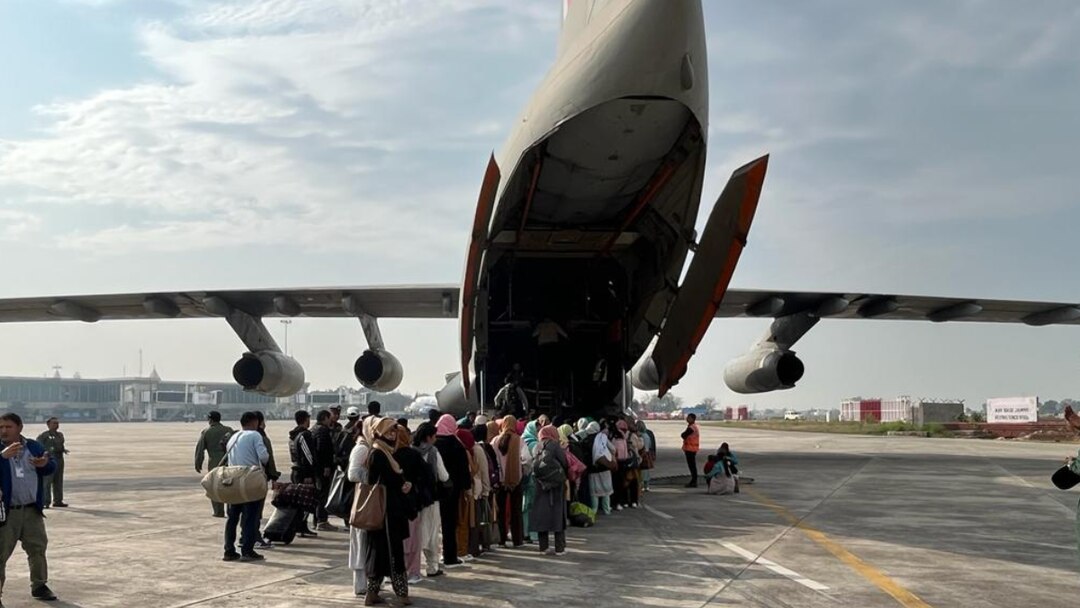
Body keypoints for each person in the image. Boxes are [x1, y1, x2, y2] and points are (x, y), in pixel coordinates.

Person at [0, 412, 58, 603]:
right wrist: (1, 457)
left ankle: (40, 585)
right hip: (7, 513)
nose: (4, 431)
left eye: (8, 427)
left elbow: (51, 466)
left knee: (37, 549)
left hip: (32, 510)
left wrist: (45, 463)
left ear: (19, 428)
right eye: (1, 427)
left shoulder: (33, 446)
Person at [363, 418, 412, 606]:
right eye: (389, 432)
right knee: (393, 551)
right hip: (386, 511)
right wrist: (403, 483)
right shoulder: (379, 453)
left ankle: (372, 593)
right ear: (380, 432)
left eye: (394, 431)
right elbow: (389, 479)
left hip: (383, 510)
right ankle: (401, 594)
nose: (393, 435)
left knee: (378, 551)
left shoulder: (382, 451)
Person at [222, 411, 270, 562]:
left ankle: (229, 550)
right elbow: (264, 456)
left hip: (233, 480)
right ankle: (247, 550)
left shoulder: (233, 436)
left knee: (232, 517)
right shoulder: (255, 435)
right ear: (254, 422)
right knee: (250, 517)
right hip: (249, 480)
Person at [412, 422, 449, 579]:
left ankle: (413, 567)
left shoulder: (411, 450)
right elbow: (443, 475)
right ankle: (432, 567)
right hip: (431, 497)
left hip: (414, 497)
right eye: (434, 436)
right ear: (428, 437)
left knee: (416, 532)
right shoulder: (433, 452)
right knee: (432, 533)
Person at [392, 425, 427, 586]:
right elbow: (427, 476)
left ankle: (397, 571)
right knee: (413, 538)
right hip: (412, 503)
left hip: (394, 504)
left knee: (396, 539)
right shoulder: (414, 455)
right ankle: (413, 572)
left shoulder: (389, 455)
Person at [434, 414, 470, 567]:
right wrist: (466, 487)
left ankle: (433, 559)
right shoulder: (456, 444)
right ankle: (450, 556)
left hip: (434, 490)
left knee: (434, 525)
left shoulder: (433, 443)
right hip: (452, 490)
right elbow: (463, 469)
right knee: (450, 523)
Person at [530, 425, 568, 555]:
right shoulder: (555, 445)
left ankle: (543, 547)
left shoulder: (537, 446)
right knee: (558, 516)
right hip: (556, 485)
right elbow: (564, 462)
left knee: (542, 515)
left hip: (541, 485)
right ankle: (559, 548)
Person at [346, 422, 371, 596]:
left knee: (365, 542)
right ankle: (360, 585)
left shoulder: (367, 446)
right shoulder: (362, 448)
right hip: (363, 499)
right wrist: (372, 477)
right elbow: (353, 474)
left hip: (367, 498)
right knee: (360, 541)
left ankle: (367, 582)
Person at [494, 415, 527, 547]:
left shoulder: (495, 440)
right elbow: (527, 459)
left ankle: (501, 540)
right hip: (516, 480)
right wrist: (523, 471)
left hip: (500, 482)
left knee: (500, 511)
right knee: (516, 510)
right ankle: (517, 540)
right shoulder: (520, 441)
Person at [195, 411, 234, 518]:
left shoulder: (207, 432)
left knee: (215, 488)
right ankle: (231, 510)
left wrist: (198, 463)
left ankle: (218, 511)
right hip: (228, 462)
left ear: (210, 419)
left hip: (214, 464)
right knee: (229, 486)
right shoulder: (228, 430)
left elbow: (200, 449)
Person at [288, 410, 319, 538]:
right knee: (306, 500)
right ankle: (301, 525)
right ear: (306, 419)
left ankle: (300, 525)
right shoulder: (304, 435)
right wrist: (309, 474)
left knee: (300, 500)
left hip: (296, 469)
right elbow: (308, 456)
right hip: (303, 472)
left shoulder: (293, 435)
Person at [253, 411, 280, 549]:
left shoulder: (238, 436)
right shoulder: (261, 438)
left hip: (240, 479)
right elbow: (268, 458)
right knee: (257, 510)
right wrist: (274, 476)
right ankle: (255, 538)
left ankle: (244, 538)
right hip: (258, 478)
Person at [311, 410, 338, 531]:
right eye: (329, 418)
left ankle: (317, 520)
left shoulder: (314, 429)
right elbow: (323, 449)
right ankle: (322, 521)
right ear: (324, 418)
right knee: (323, 494)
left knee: (319, 494)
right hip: (323, 468)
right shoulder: (323, 430)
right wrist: (327, 466)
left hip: (316, 468)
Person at [36, 418, 68, 509]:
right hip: (49, 459)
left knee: (58, 480)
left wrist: (63, 449)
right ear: (48, 424)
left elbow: (60, 445)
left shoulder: (60, 435)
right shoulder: (44, 436)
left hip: (59, 459)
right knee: (47, 481)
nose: (56, 425)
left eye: (57, 423)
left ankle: (58, 500)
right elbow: (39, 446)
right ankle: (45, 501)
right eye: (54, 423)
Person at [588, 421, 614, 514]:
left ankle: (594, 510)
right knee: (606, 491)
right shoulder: (602, 438)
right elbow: (613, 449)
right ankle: (606, 509)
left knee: (594, 492)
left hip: (592, 469)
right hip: (604, 467)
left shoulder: (586, 439)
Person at [681, 413, 700, 488]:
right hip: (690, 448)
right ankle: (693, 480)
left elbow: (683, 435)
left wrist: (682, 435)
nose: (687, 419)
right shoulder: (692, 427)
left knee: (692, 466)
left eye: (688, 417)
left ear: (692, 419)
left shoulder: (692, 428)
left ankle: (694, 481)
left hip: (691, 449)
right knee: (692, 466)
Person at [638, 420, 656, 492]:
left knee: (642, 471)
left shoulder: (642, 436)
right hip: (647, 454)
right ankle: (646, 486)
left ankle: (642, 486)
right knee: (646, 471)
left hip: (643, 454)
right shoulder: (648, 434)